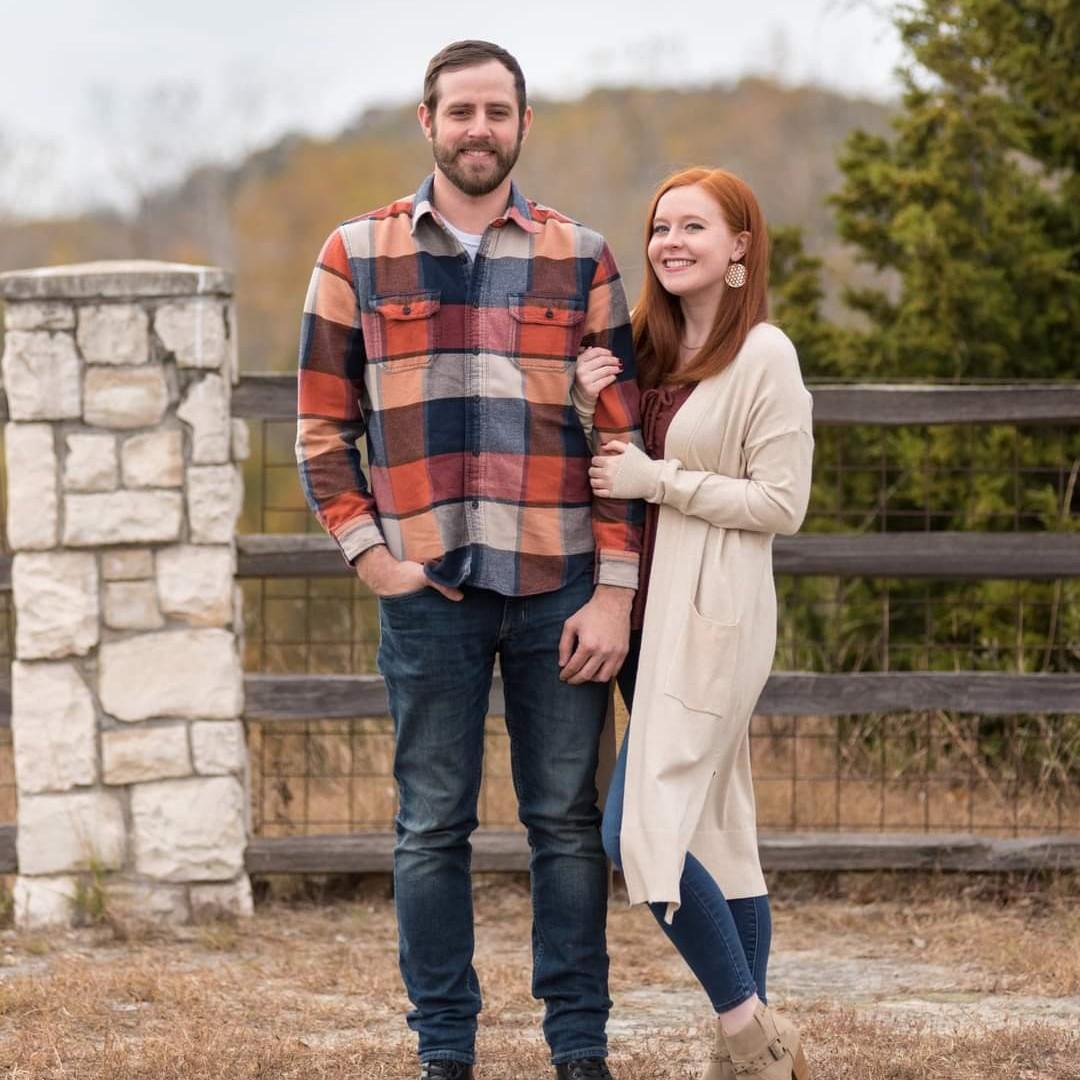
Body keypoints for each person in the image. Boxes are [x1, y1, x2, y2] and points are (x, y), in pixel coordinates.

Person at [295, 40, 643, 1080]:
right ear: (428, 122)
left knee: (567, 829)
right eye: (461, 112)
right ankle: (444, 1045)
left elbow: (620, 444)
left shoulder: (581, 255)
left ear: (523, 125)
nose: (479, 129)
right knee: (430, 827)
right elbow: (320, 431)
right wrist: (370, 556)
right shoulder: (354, 254)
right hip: (429, 591)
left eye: (498, 111)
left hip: (560, 592)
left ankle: (578, 1045)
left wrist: (616, 593)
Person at [575, 167, 814, 1080]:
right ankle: (740, 1051)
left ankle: (753, 1035)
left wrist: (658, 480)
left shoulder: (766, 356)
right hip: (642, 614)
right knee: (717, 829)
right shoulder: (648, 347)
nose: (670, 242)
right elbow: (607, 468)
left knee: (634, 830)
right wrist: (589, 393)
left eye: (694, 227)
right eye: (659, 226)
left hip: (714, 616)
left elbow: (782, 504)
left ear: (740, 246)